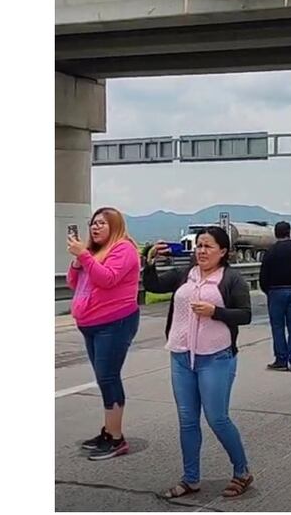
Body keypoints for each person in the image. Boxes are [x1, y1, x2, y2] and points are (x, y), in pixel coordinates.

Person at [142, 227, 255, 500]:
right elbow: (154, 286)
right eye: (199, 246)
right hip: (181, 356)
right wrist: (148, 261)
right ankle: (190, 479)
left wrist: (215, 312)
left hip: (216, 357)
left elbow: (245, 315)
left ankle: (242, 471)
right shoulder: (185, 274)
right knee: (187, 421)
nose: (201, 251)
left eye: (208, 246)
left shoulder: (231, 279)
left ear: (223, 251)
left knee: (217, 418)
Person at [66, 207, 141, 461]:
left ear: (115, 226)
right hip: (90, 322)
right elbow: (74, 283)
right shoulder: (94, 251)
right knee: (102, 378)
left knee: (108, 377)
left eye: (102, 223)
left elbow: (107, 279)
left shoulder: (124, 249)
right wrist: (78, 261)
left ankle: (117, 438)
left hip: (115, 322)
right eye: (93, 223)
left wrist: (84, 257)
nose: (95, 227)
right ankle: (108, 430)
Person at [259, 221, 291, 372]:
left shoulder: (271, 251)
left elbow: (263, 276)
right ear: (289, 232)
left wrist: (267, 290)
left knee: (278, 327)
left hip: (275, 291)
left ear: (276, 233)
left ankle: (281, 360)